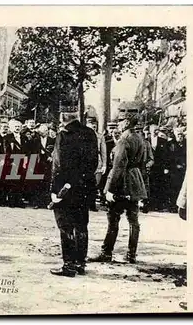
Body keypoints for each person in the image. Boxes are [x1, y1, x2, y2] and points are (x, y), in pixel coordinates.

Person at [90, 113, 147, 264]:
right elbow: (142, 162)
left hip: (122, 183)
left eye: (120, 121)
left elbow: (117, 167)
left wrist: (109, 189)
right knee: (133, 220)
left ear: (127, 122)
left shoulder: (124, 141)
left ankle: (106, 252)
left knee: (113, 218)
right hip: (135, 181)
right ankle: (131, 255)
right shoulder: (140, 139)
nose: (118, 124)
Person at [49, 102, 98, 277]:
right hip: (84, 187)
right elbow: (94, 162)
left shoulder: (64, 135)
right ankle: (80, 264)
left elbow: (59, 165)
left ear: (63, 117)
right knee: (82, 226)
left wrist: (56, 191)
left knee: (66, 226)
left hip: (66, 188)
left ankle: (68, 265)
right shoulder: (90, 133)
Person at [86, 118, 107, 212]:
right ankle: (86, 203)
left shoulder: (100, 136)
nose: (93, 126)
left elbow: (103, 151)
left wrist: (104, 164)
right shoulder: (82, 136)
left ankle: (92, 203)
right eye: (91, 123)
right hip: (86, 162)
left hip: (98, 161)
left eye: (95, 124)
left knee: (96, 184)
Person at [32, 123, 55, 209]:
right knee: (37, 183)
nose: (43, 132)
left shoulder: (52, 140)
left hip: (47, 164)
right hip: (38, 164)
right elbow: (32, 151)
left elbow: (54, 151)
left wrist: (51, 157)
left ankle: (45, 202)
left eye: (45, 131)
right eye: (41, 131)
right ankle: (37, 202)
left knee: (47, 183)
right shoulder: (35, 140)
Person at [148, 125, 170, 211]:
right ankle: (150, 204)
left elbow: (166, 155)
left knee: (159, 185)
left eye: (157, 130)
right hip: (149, 166)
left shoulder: (163, 141)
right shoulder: (146, 141)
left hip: (159, 167)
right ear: (150, 131)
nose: (155, 131)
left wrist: (166, 167)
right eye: (154, 130)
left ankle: (158, 205)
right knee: (149, 185)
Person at [168, 127, 186, 213]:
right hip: (174, 170)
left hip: (183, 169)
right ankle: (172, 206)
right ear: (175, 135)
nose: (180, 137)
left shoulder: (186, 144)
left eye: (181, 135)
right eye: (178, 135)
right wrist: (175, 165)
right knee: (173, 188)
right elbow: (169, 157)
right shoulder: (171, 144)